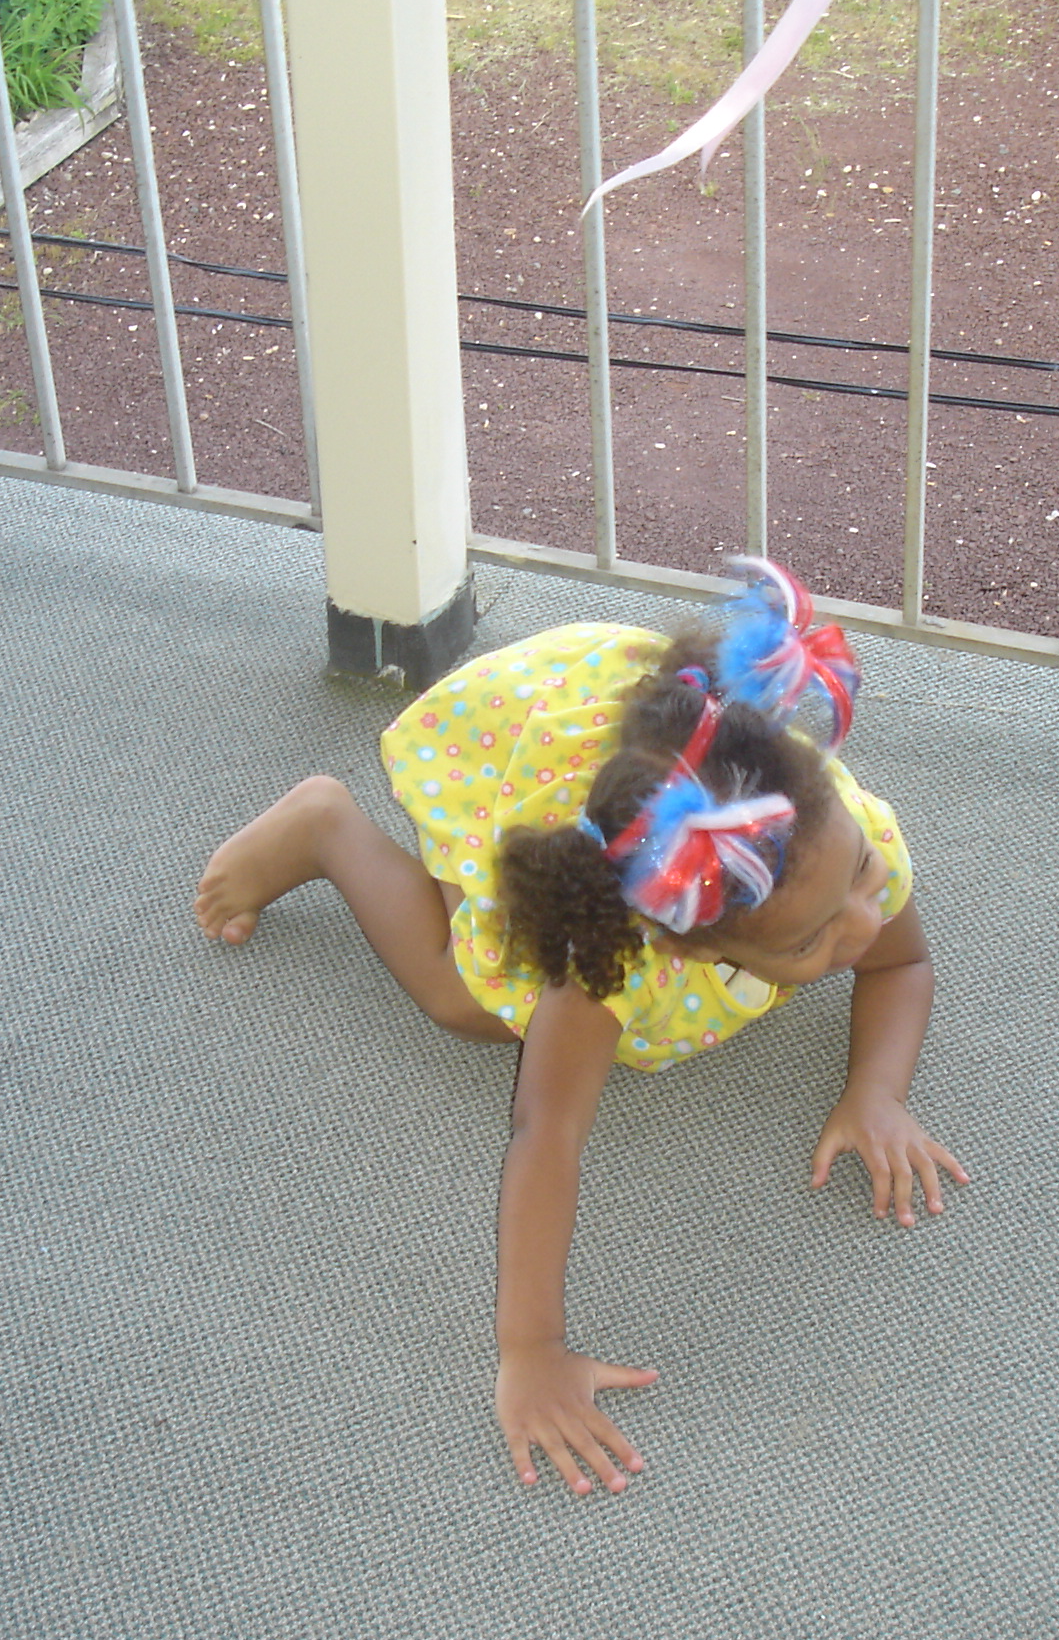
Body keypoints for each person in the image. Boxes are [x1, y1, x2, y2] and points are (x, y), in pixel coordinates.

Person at [194, 558, 966, 1496]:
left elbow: (902, 964)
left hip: (650, 733)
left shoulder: (839, 840)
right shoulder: (614, 960)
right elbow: (546, 1131)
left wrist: (878, 1091)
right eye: (812, 941)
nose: (866, 921)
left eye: (860, 882)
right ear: (681, 948)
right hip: (518, 732)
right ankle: (324, 827)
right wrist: (532, 1348)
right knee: (466, 1001)